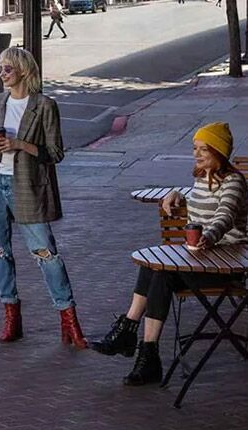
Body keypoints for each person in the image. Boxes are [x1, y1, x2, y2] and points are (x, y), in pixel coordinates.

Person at [91, 123, 241, 386]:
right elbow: (195, 195)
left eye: (203, 149)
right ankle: (140, 344)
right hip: (199, 262)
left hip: (224, 266)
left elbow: (225, 216)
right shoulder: (201, 177)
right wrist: (175, 192)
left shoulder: (233, 182)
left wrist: (209, 236)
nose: (196, 154)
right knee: (153, 267)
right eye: (194, 148)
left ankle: (135, 342)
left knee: (160, 270)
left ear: (218, 151)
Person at [0, 47, 87, 348]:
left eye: (7, 69)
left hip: (27, 186)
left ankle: (68, 318)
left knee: (45, 253)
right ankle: (11, 317)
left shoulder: (44, 105)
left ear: (24, 71)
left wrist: (19, 144)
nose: (2, 74)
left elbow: (55, 153)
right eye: (0, 68)